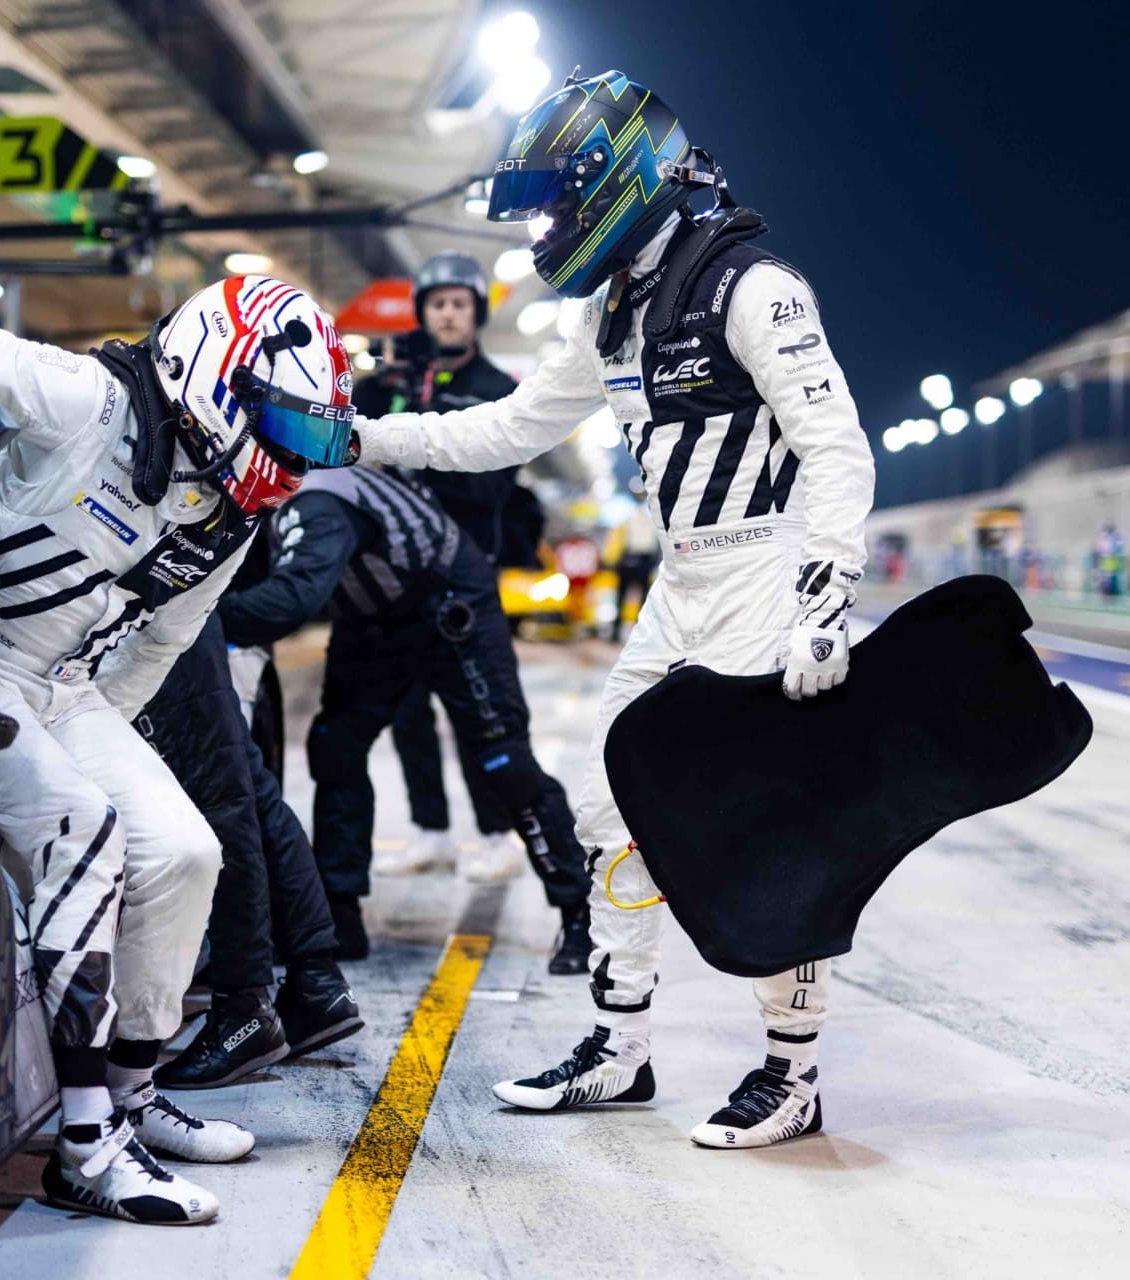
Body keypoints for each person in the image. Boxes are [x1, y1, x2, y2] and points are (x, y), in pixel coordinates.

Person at [355, 70, 875, 1149]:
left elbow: (835, 445)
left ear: (615, 181)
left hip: (764, 575)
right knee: (606, 804)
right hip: (682, 583)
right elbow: (503, 429)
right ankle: (621, 1048)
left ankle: (793, 1071)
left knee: (752, 826)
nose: (547, 224)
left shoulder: (754, 285)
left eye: (555, 200)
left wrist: (827, 596)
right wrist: (364, 437)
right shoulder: (617, 313)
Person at [0, 275, 356, 1223]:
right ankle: (81, 1150)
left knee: (188, 851)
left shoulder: (233, 515)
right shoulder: (87, 397)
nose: (294, 455)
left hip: (67, 687)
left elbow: (160, 644)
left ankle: (128, 1093)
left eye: (314, 435)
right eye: (287, 423)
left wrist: (74, 728)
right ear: (215, 376)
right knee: (89, 828)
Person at [215, 464, 594, 975]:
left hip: (452, 607)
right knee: (335, 746)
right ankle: (339, 917)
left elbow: (292, 599)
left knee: (505, 763)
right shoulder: (270, 498)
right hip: (372, 620)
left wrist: (186, 621)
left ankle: (581, 918)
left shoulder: (316, 499)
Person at [133, 613, 364, 1089]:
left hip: (158, 620)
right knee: (250, 795)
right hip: (179, 619)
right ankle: (315, 986)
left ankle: (243, 1008)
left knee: (223, 806)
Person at [355, 252, 525, 880]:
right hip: (398, 576)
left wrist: (423, 443)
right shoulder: (400, 383)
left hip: (465, 573)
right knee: (409, 712)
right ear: (422, 313)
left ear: (475, 314)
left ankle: (499, 831)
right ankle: (430, 829)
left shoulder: (500, 391)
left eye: (458, 304)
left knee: (479, 710)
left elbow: (489, 485)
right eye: (437, 304)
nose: (447, 315)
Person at [608, 503, 661, 642]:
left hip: (638, 561)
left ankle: (635, 632)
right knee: (632, 600)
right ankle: (624, 632)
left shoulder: (632, 519)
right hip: (633, 560)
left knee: (639, 601)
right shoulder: (631, 519)